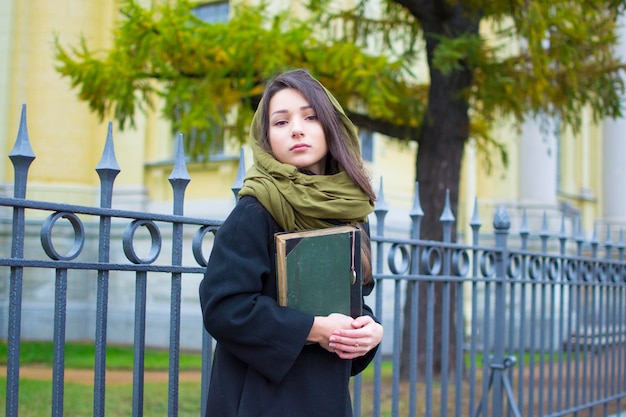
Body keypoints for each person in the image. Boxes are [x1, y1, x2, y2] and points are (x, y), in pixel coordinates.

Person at [199, 68, 383, 417]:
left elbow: (350, 305)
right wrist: (313, 329)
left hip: (325, 397)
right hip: (257, 399)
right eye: (281, 122)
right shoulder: (255, 210)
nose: (297, 128)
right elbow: (223, 308)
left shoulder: (352, 213)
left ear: (332, 127)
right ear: (266, 137)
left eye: (310, 117)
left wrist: (367, 332)